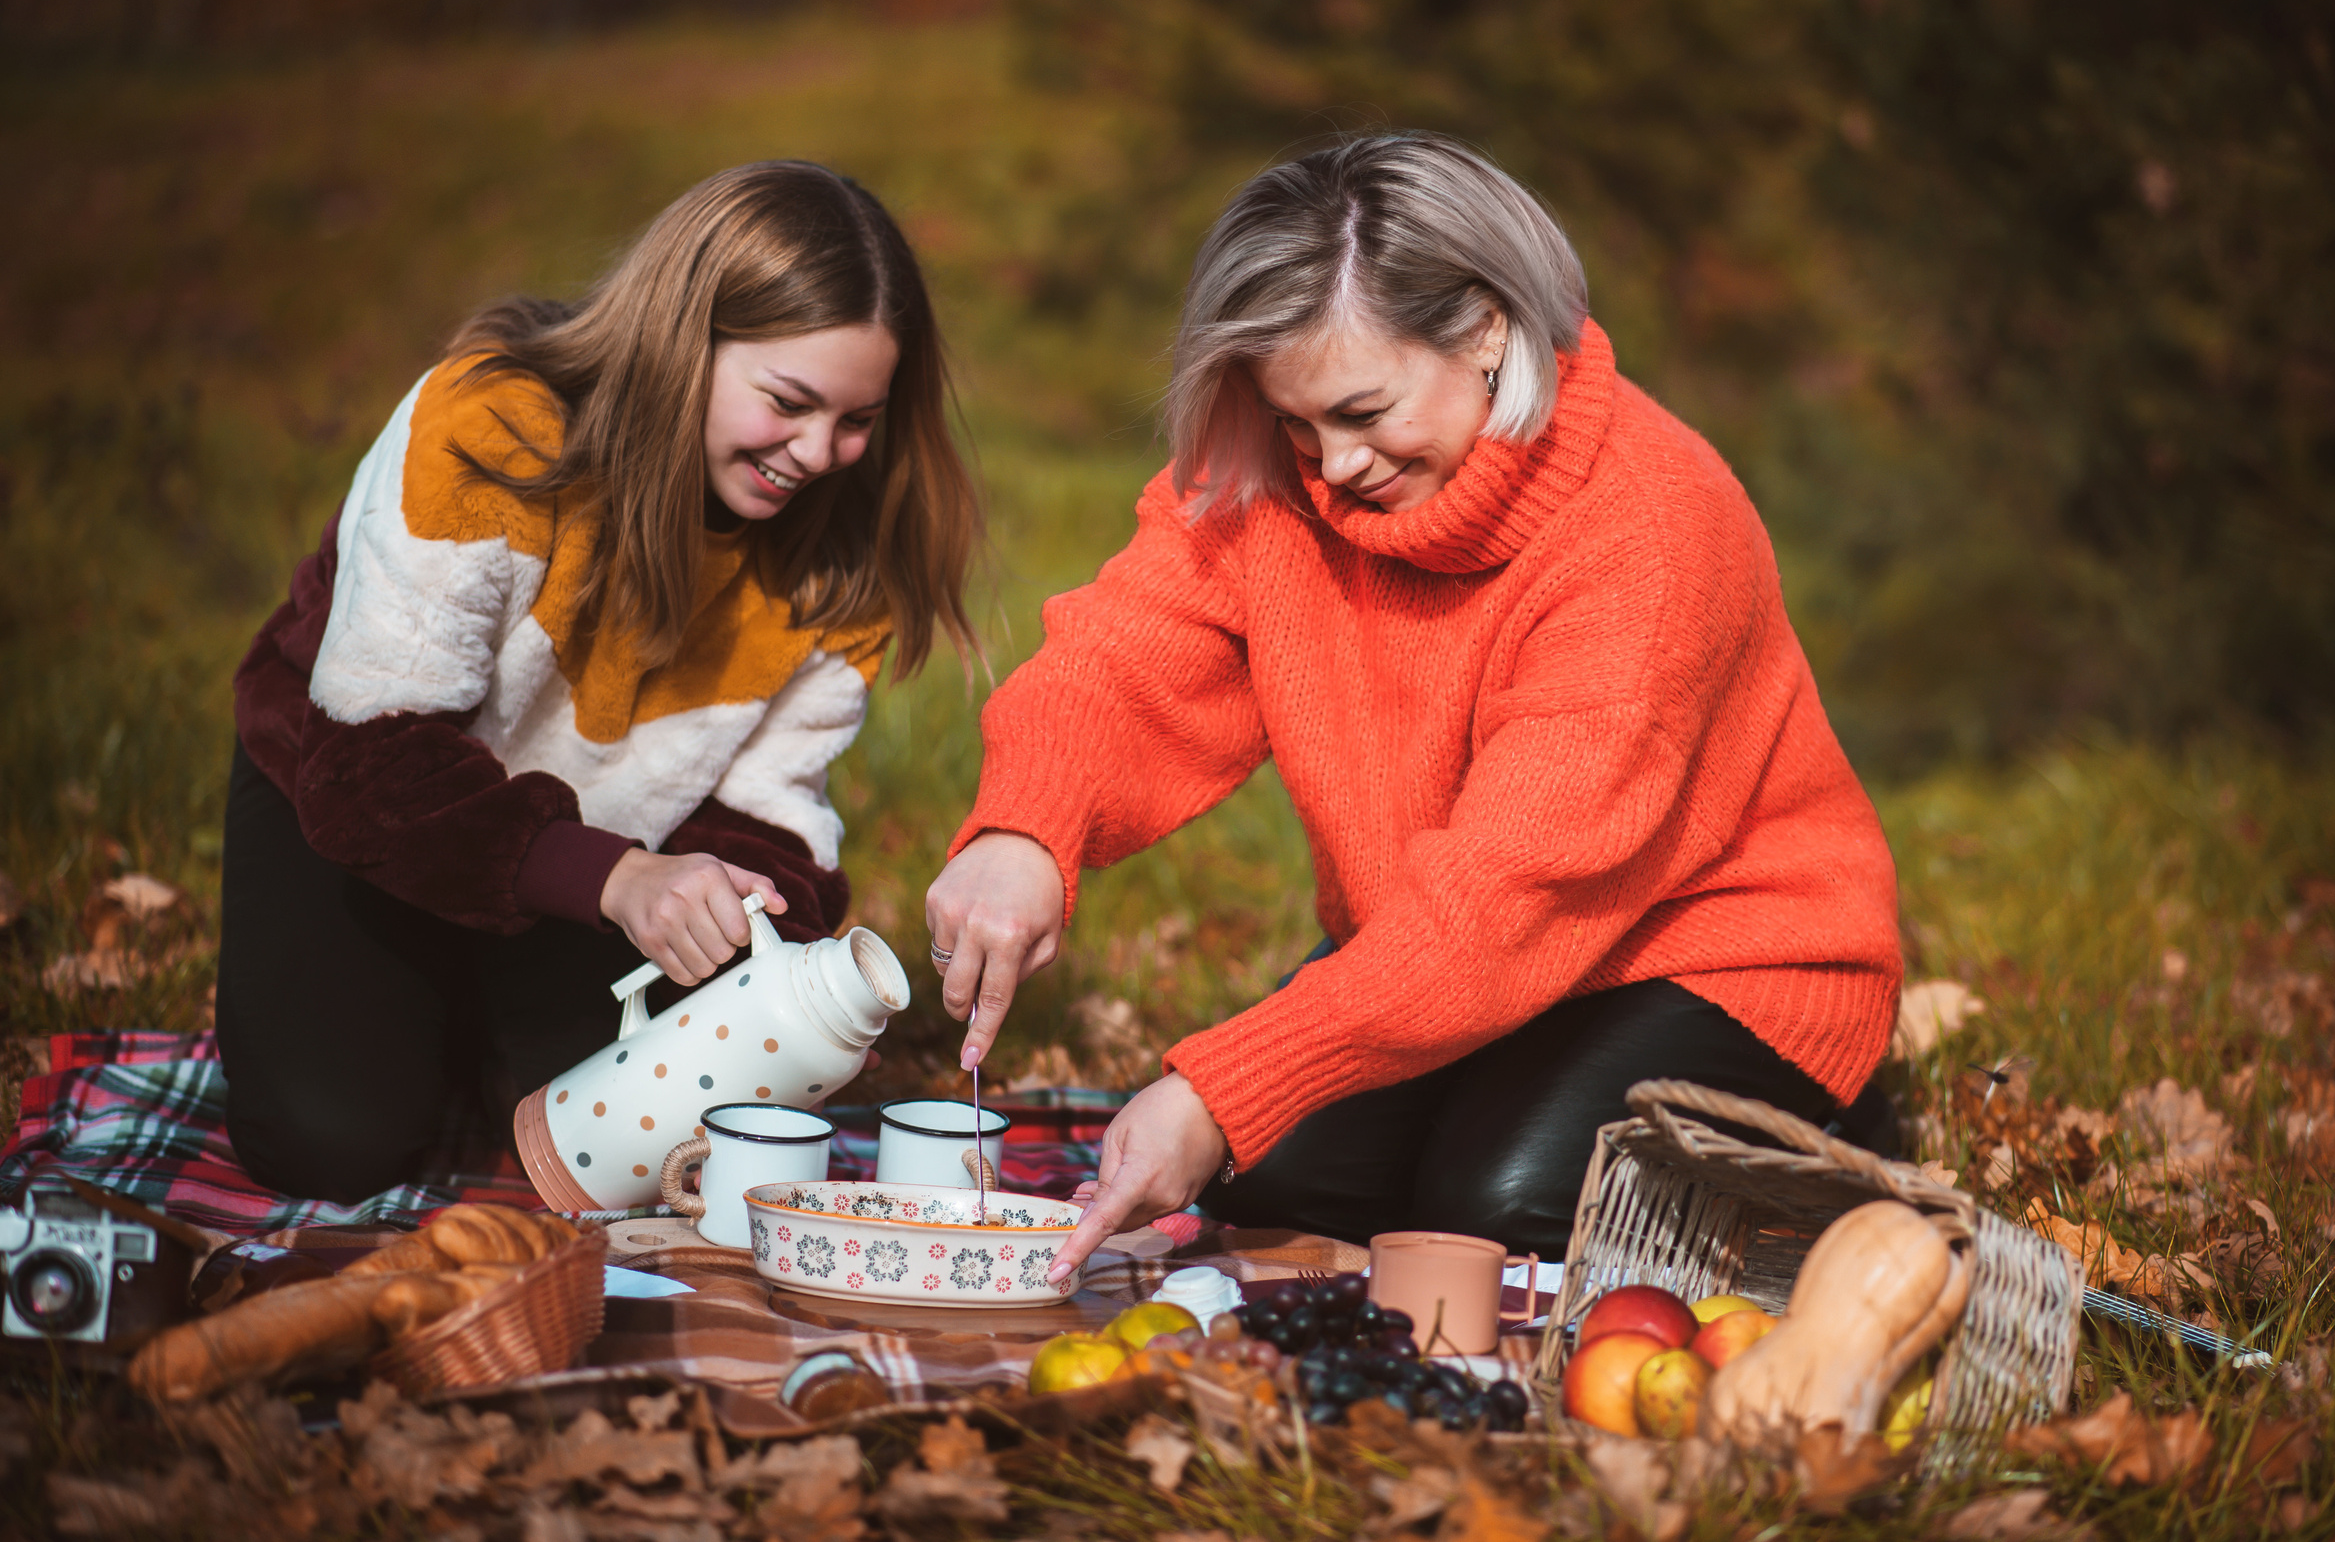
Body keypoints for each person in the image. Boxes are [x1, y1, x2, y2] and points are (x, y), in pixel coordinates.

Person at [924, 133, 1902, 1282]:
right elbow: (1128, 659)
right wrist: (1024, 828)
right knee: (1272, 1176)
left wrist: (1219, 1083)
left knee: (1492, 1213)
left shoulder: (1648, 528)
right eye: (1295, 424)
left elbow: (1503, 901)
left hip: (1713, 955)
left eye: (1359, 409)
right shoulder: (1271, 481)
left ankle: (1825, 1159)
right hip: (1450, 959)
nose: (1329, 467)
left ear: (1488, 327)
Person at [221, 161, 978, 1202]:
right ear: (684, 340)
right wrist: (616, 880)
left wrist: (776, 956)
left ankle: (481, 1011)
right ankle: (429, 1005)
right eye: (788, 402)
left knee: (619, 1146)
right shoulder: (490, 427)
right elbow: (368, 763)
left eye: (856, 420)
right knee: (331, 1144)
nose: (818, 453)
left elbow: (770, 811)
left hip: (597, 866)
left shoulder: (839, 560)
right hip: (359, 808)